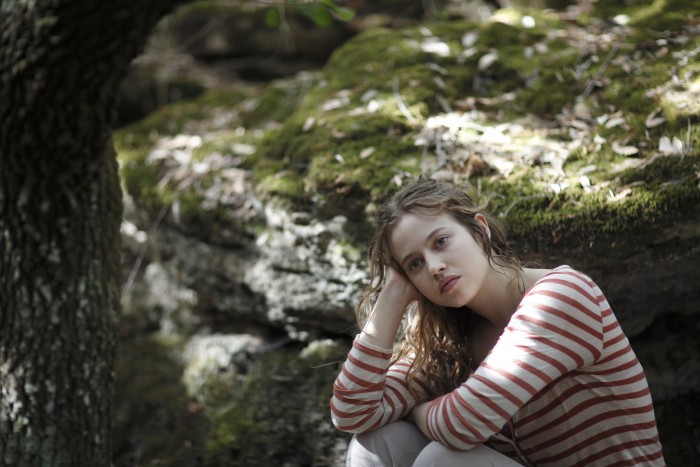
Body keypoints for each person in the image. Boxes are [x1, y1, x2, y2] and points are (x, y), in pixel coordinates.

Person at [330, 177, 665, 466]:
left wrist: (417, 412)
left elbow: (462, 423)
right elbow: (351, 413)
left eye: (440, 242)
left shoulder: (562, 295)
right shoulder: (450, 337)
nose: (433, 267)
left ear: (480, 230)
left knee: (444, 460)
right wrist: (391, 296)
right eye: (414, 264)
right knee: (376, 441)